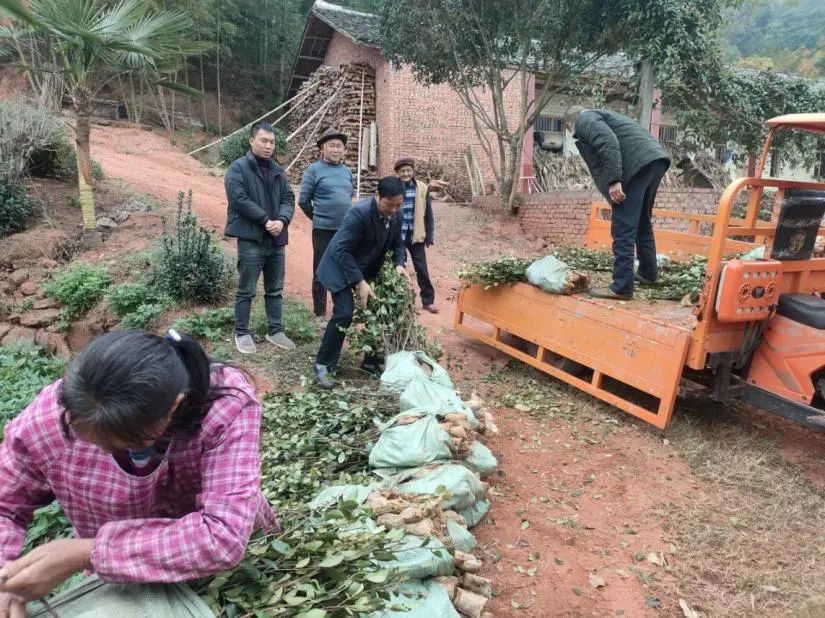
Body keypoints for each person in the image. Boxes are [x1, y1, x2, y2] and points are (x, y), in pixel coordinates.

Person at [0, 330, 277, 616]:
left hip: (220, 568)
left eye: (127, 442)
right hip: (122, 575)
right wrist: (4, 579)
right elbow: (4, 504)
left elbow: (222, 536)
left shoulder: (224, 405)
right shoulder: (46, 421)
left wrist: (86, 553)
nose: (106, 454)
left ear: (174, 406)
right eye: (94, 443)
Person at [564, 106, 670, 300]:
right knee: (642, 223)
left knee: (623, 227)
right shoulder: (605, 116)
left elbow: (608, 142)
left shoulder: (584, 119)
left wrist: (613, 180)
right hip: (654, 161)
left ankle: (621, 286)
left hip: (637, 166)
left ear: (569, 124)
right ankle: (648, 273)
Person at [314, 176, 408, 388]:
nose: (393, 210)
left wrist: (399, 263)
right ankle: (323, 366)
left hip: (366, 269)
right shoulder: (359, 213)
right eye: (389, 204)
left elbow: (398, 244)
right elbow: (342, 250)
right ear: (377, 196)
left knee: (377, 312)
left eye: (398, 205)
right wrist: (359, 282)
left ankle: (371, 362)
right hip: (339, 267)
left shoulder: (397, 214)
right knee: (344, 313)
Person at [225, 121, 296, 354]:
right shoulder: (238, 169)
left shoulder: (277, 171)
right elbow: (239, 199)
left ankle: (275, 330)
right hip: (252, 239)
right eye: (264, 141)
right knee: (246, 289)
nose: (268, 146)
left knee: (275, 289)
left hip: (276, 239)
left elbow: (288, 198)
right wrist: (265, 220)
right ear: (251, 141)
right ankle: (242, 333)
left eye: (272, 142)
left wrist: (282, 221)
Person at [298, 128, 354, 323]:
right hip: (323, 230)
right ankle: (320, 313)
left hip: (345, 230)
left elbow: (348, 197)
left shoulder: (347, 172)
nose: (336, 149)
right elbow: (304, 200)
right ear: (322, 148)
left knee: (344, 269)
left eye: (340, 146)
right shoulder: (313, 170)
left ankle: (342, 310)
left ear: (344, 150)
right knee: (321, 270)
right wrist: (318, 218)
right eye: (332, 145)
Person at [394, 156, 439, 314]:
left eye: (408, 171)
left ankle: (428, 300)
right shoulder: (393, 187)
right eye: (402, 171)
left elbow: (428, 214)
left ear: (413, 172)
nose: (405, 173)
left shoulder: (422, 187)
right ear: (397, 173)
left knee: (421, 268)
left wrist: (430, 235)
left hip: (416, 234)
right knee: (399, 267)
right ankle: (401, 301)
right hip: (398, 235)